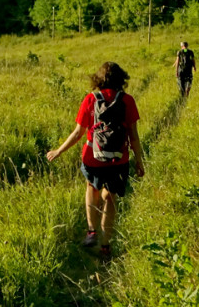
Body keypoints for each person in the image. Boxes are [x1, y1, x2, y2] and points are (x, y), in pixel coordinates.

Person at [46, 61, 145, 258]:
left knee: (92, 188)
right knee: (110, 198)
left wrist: (59, 151)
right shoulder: (127, 101)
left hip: (93, 157)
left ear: (98, 78)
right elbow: (133, 136)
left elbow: (77, 133)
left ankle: (92, 231)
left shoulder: (90, 99)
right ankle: (105, 244)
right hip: (118, 159)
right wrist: (139, 161)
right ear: (121, 79)